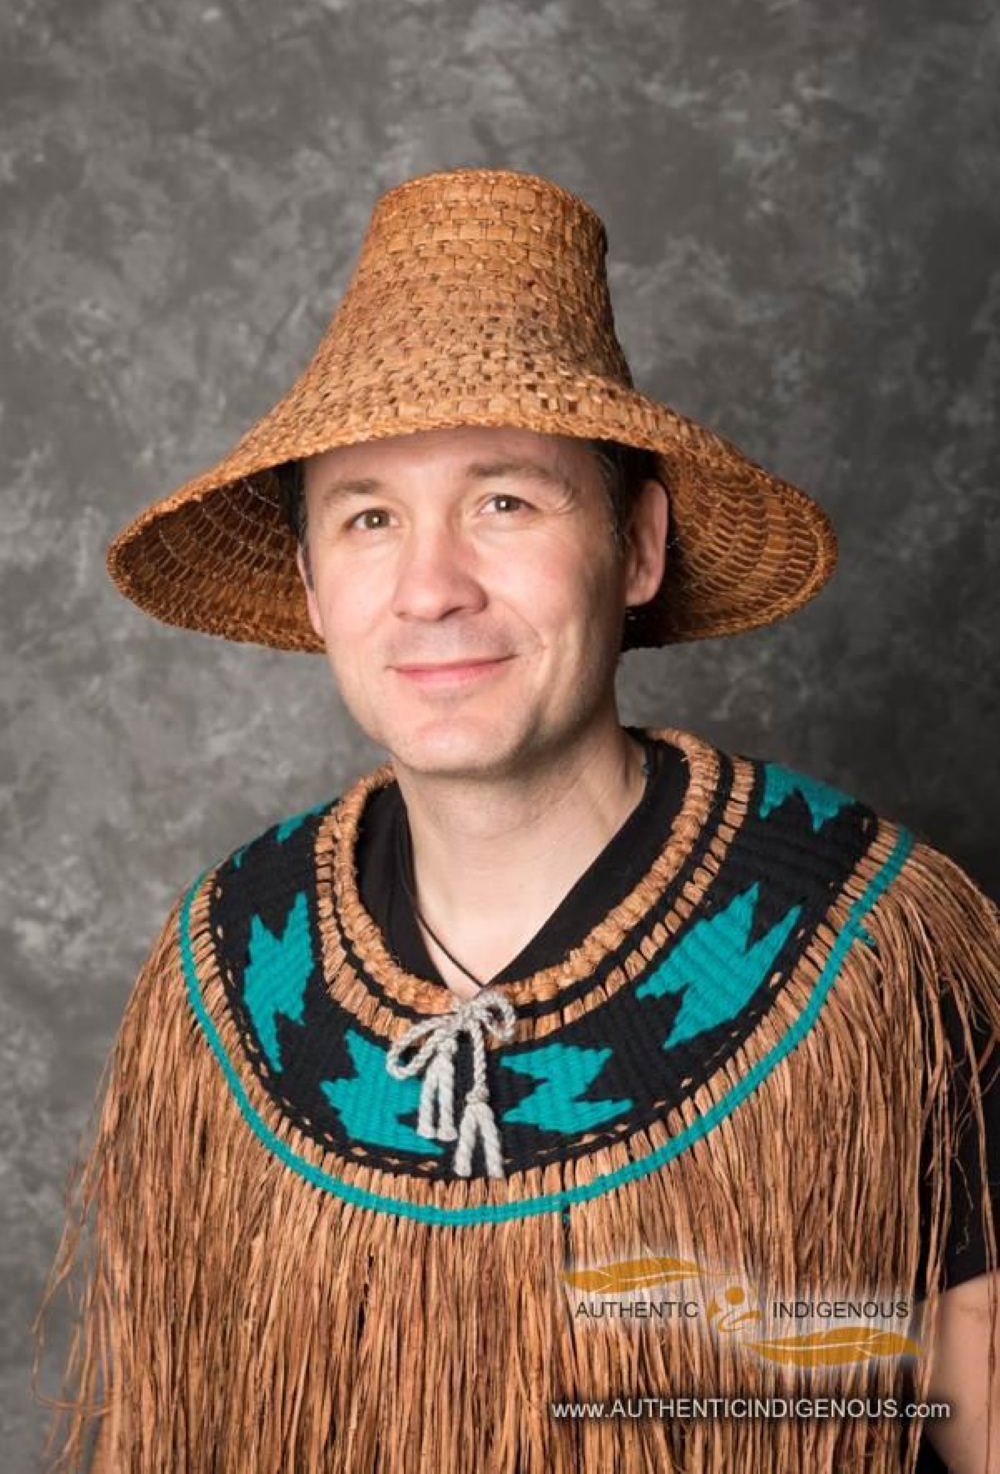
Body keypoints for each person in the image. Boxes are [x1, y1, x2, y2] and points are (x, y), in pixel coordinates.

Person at [32, 167, 1000, 1472]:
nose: (432, 587)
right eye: (370, 517)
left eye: (505, 501)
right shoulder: (227, 973)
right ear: (316, 586)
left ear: (638, 546)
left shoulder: (867, 945)